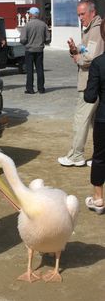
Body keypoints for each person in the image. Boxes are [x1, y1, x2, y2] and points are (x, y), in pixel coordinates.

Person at [58, 0, 104, 167]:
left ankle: (76, 155)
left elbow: (90, 59)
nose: (80, 17)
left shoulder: (96, 30)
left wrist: (77, 57)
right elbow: (85, 50)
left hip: (90, 84)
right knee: (96, 122)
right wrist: (74, 50)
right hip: (95, 83)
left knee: (81, 120)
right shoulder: (92, 29)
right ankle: (100, 157)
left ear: (92, 12)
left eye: (82, 14)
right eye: (78, 14)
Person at [84, 18, 105, 214]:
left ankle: (98, 199)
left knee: (99, 158)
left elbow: (90, 97)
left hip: (103, 119)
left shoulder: (98, 63)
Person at [20, 7, 51, 94]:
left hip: (29, 50)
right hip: (40, 50)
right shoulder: (43, 25)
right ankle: (41, 88)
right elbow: (48, 39)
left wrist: (26, 43)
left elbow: (22, 39)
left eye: (29, 13)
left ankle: (30, 88)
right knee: (40, 69)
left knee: (30, 70)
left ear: (31, 15)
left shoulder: (27, 25)